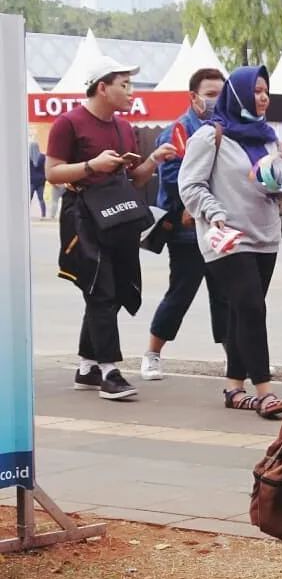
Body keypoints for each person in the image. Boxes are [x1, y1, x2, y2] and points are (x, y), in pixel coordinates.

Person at [46, 56, 176, 401]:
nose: (131, 91)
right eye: (124, 84)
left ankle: (87, 367)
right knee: (100, 289)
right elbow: (53, 172)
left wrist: (153, 160)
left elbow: (134, 179)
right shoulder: (68, 123)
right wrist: (92, 165)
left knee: (114, 290)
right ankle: (109, 371)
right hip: (82, 216)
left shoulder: (123, 128)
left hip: (117, 216)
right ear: (102, 87)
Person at [178, 65, 282, 419]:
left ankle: (234, 387)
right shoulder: (210, 135)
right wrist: (213, 211)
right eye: (256, 91)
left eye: (266, 91)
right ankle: (265, 391)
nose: (263, 97)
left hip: (265, 235)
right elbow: (190, 185)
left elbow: (280, 190)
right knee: (251, 308)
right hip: (227, 236)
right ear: (239, 94)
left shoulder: (268, 138)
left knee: (241, 310)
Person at [140, 67, 228, 381]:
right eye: (210, 94)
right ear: (194, 97)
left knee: (225, 295)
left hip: (220, 228)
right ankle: (152, 354)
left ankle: (235, 357)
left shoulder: (226, 128)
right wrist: (196, 207)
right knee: (181, 292)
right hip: (187, 231)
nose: (216, 100)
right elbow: (174, 178)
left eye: (221, 94)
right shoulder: (177, 131)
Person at [28, 141, 47, 218]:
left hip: (31, 181)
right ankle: (43, 215)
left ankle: (26, 214)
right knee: (41, 199)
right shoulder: (43, 157)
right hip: (41, 181)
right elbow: (46, 168)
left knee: (29, 199)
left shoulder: (28, 158)